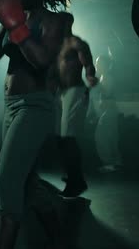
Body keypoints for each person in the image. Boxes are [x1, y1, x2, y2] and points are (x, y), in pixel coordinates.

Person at [0, 0, 71, 249]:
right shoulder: (14, 17)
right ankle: (61, 241)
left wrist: (16, 25)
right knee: (27, 183)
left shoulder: (59, 21)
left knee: (6, 181)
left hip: (36, 107)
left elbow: (42, 60)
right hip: (12, 106)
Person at [52, 13, 98, 197]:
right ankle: (73, 175)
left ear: (68, 23)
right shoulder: (56, 46)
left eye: (60, 22)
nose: (57, 25)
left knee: (68, 137)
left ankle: (76, 181)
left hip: (75, 91)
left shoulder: (75, 43)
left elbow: (88, 62)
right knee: (60, 138)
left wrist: (89, 75)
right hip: (60, 94)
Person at [92, 54, 122, 172]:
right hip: (108, 112)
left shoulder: (107, 78)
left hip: (108, 112)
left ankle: (109, 163)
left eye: (99, 63)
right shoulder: (104, 77)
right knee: (111, 137)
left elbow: (107, 96)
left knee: (101, 137)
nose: (96, 65)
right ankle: (117, 162)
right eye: (96, 63)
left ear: (105, 65)